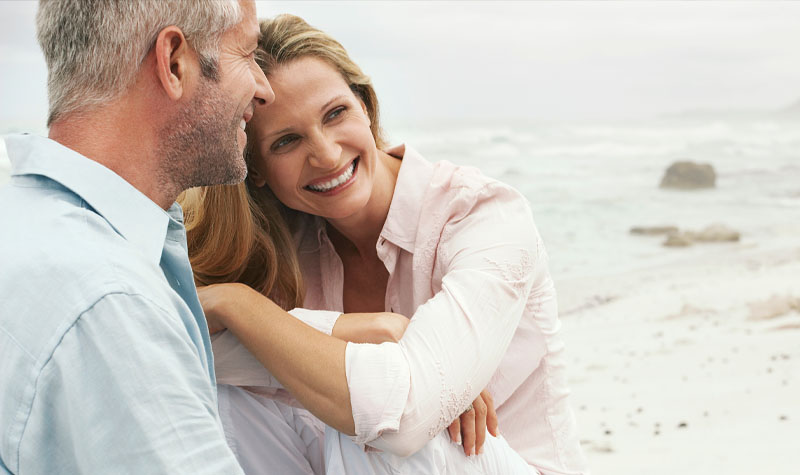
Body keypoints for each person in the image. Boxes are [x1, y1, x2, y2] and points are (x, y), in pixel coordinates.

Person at [184, 14, 589, 475]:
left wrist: (238, 306)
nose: (327, 154)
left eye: (335, 114)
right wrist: (368, 330)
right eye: (286, 142)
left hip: (498, 463)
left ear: (366, 106)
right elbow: (192, 355)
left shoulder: (483, 215)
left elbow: (407, 417)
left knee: (380, 412)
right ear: (255, 169)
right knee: (228, 398)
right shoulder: (285, 245)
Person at [0, 0, 272, 472]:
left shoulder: (22, 223)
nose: (263, 89)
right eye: (248, 55)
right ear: (173, 63)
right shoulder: (111, 305)